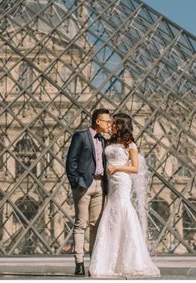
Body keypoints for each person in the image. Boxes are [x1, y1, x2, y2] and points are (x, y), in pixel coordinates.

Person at [89, 113, 160, 278]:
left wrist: (117, 169)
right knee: (111, 212)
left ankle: (128, 260)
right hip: (111, 182)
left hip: (121, 180)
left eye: (114, 124)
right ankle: (110, 261)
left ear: (121, 126)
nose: (111, 126)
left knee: (122, 209)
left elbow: (135, 168)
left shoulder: (131, 145)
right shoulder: (109, 141)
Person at [65, 108, 112, 275]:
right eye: (107, 121)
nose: (110, 124)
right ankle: (79, 262)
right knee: (80, 224)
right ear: (97, 121)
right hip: (84, 185)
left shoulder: (104, 140)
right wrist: (76, 183)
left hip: (100, 185)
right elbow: (71, 161)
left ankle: (95, 261)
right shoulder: (81, 136)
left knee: (96, 226)